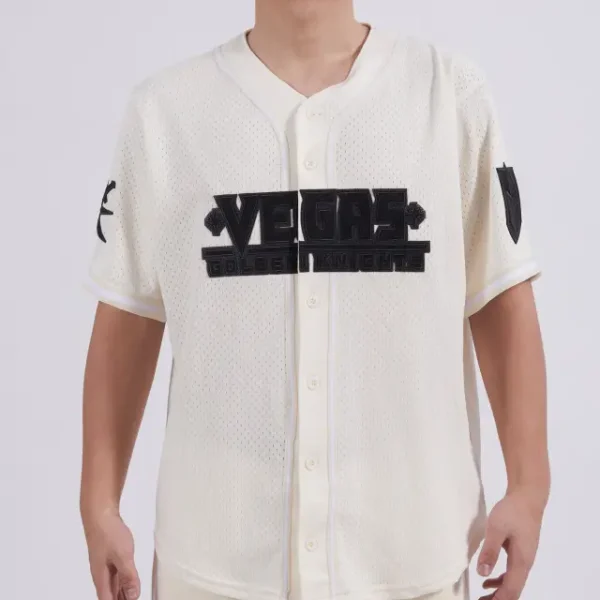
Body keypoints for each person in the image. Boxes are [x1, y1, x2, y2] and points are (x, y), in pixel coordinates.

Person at [80, 1, 550, 599]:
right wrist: (98, 502)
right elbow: (127, 316)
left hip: (412, 563)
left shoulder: (448, 95)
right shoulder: (165, 113)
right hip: (216, 567)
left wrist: (529, 486)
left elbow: (500, 298)